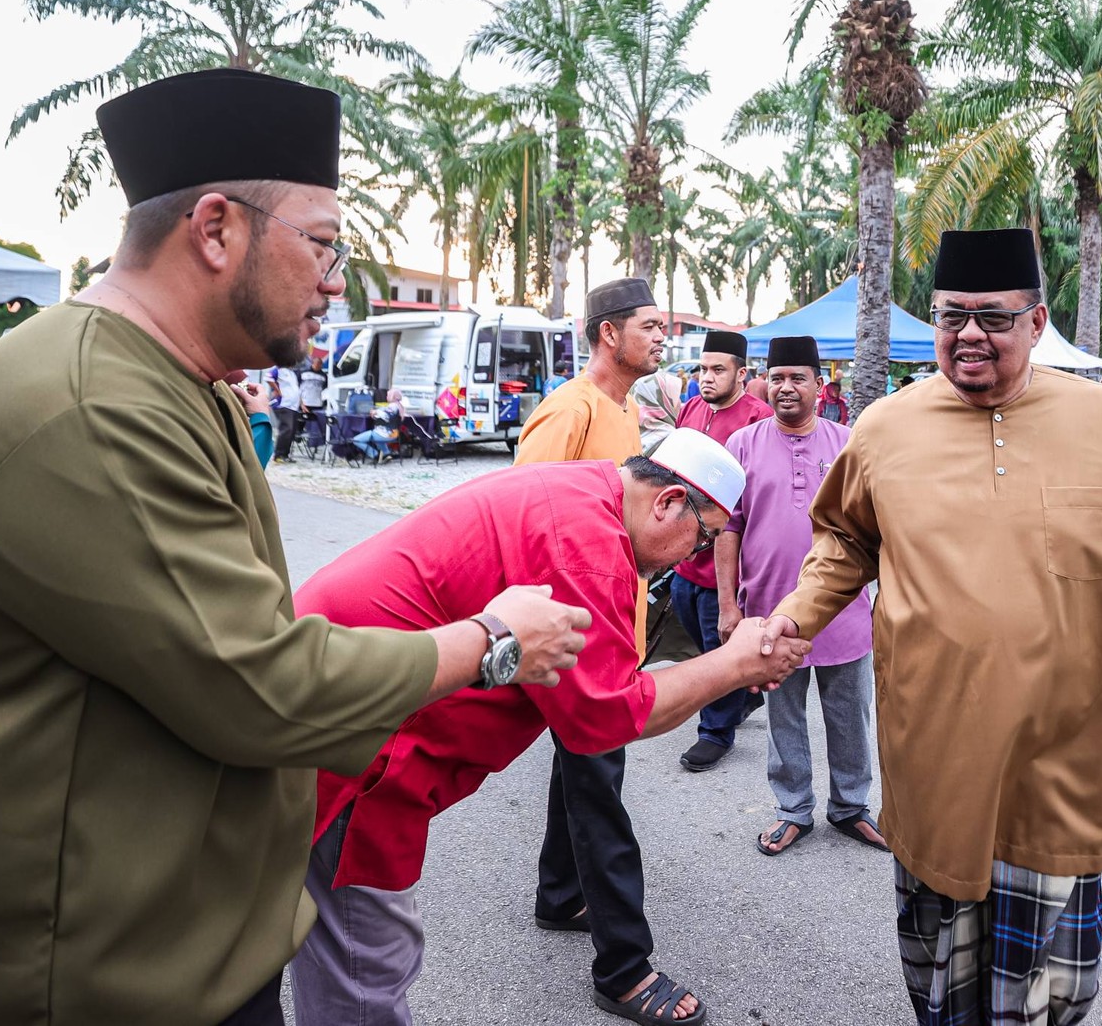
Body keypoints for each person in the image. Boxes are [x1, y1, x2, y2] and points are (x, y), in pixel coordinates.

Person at [0, 69, 590, 1025]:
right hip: (92, 976)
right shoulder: (95, 407)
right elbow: (262, 682)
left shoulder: (185, 384)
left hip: (186, 940)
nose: (336, 284)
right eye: (324, 246)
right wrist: (491, 638)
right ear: (215, 230)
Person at [762, 227, 1102, 1026]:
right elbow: (845, 541)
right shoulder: (885, 428)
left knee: (1056, 980)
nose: (969, 335)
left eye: (993, 318)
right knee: (938, 966)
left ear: (1037, 323)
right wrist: (792, 617)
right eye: (951, 315)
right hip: (936, 742)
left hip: (1067, 746)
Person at [288, 435, 810, 1026]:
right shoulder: (587, 547)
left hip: (342, 707)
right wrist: (737, 664)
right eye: (705, 536)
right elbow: (606, 717)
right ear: (666, 503)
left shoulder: (591, 492)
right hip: (360, 745)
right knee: (364, 968)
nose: (694, 557)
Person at [515, 277, 708, 1023]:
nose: (662, 338)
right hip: (573, 643)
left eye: (664, 327)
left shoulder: (625, 412)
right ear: (608, 333)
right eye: (650, 326)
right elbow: (523, 519)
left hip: (612, 631)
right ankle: (624, 968)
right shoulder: (569, 409)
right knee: (602, 795)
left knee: (584, 774)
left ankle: (560, 896)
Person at [714, 334, 881, 859]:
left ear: (818, 384)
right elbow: (726, 528)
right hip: (765, 609)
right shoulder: (742, 445)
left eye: (798, 378)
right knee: (782, 713)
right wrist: (727, 605)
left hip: (846, 612)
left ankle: (851, 806)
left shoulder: (847, 442)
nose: (786, 388)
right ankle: (793, 810)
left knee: (851, 713)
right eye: (778, 377)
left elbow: (874, 528)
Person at [668, 330, 775, 771]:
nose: (705, 378)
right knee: (694, 633)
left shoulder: (759, 417)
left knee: (719, 645)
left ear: (742, 374)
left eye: (717, 370)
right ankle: (743, 692)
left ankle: (715, 731)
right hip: (683, 556)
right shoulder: (691, 408)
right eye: (701, 369)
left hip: (728, 560)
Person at [270, 361, 302, 461]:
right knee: (286, 429)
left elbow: (296, 389)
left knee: (292, 431)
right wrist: (277, 390)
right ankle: (278, 455)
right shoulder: (279, 370)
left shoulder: (293, 373)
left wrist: (302, 404)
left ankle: (285, 454)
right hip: (284, 404)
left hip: (294, 406)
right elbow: (268, 378)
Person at [298, 361, 328, 452]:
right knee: (300, 423)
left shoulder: (324, 376)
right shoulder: (304, 373)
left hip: (317, 404)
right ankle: (297, 438)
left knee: (315, 424)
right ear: (312, 363)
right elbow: (298, 387)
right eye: (316, 363)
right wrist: (301, 403)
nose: (317, 365)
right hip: (305, 402)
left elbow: (325, 388)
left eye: (319, 364)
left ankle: (313, 442)